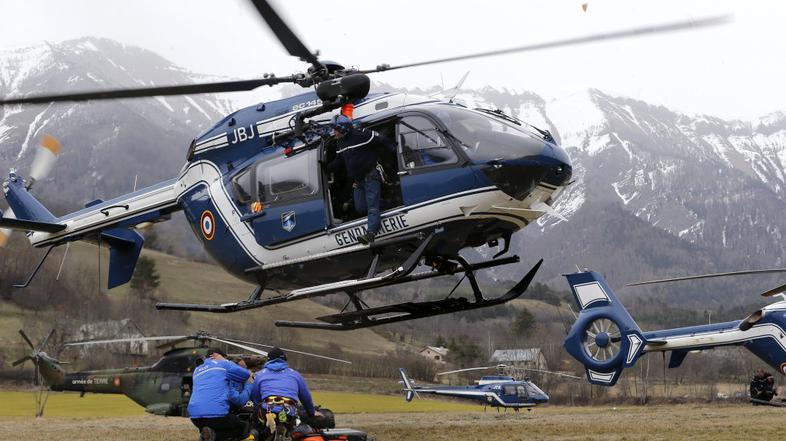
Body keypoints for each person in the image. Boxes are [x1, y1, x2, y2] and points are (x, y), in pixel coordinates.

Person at [327, 114, 396, 245]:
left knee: (372, 206)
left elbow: (381, 140)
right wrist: (325, 167)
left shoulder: (362, 135)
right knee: (361, 208)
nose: (334, 132)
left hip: (371, 175)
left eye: (336, 129)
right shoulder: (340, 143)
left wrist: (394, 150)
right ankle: (388, 205)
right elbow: (339, 161)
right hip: (358, 181)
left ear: (343, 129)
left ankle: (371, 234)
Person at [251, 347, 321, 435]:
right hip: (289, 410)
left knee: (256, 420)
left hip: (267, 410)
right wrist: (311, 413)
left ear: (268, 360)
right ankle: (285, 431)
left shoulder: (260, 374)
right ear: (284, 359)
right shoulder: (295, 374)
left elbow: (255, 397)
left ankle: (261, 433)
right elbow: (305, 397)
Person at [189, 348, 253, 441]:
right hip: (216, 415)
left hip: (195, 417)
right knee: (243, 426)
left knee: (216, 428)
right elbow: (245, 375)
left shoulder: (197, 370)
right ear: (217, 356)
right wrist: (249, 384)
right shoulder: (223, 364)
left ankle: (207, 436)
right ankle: (214, 436)